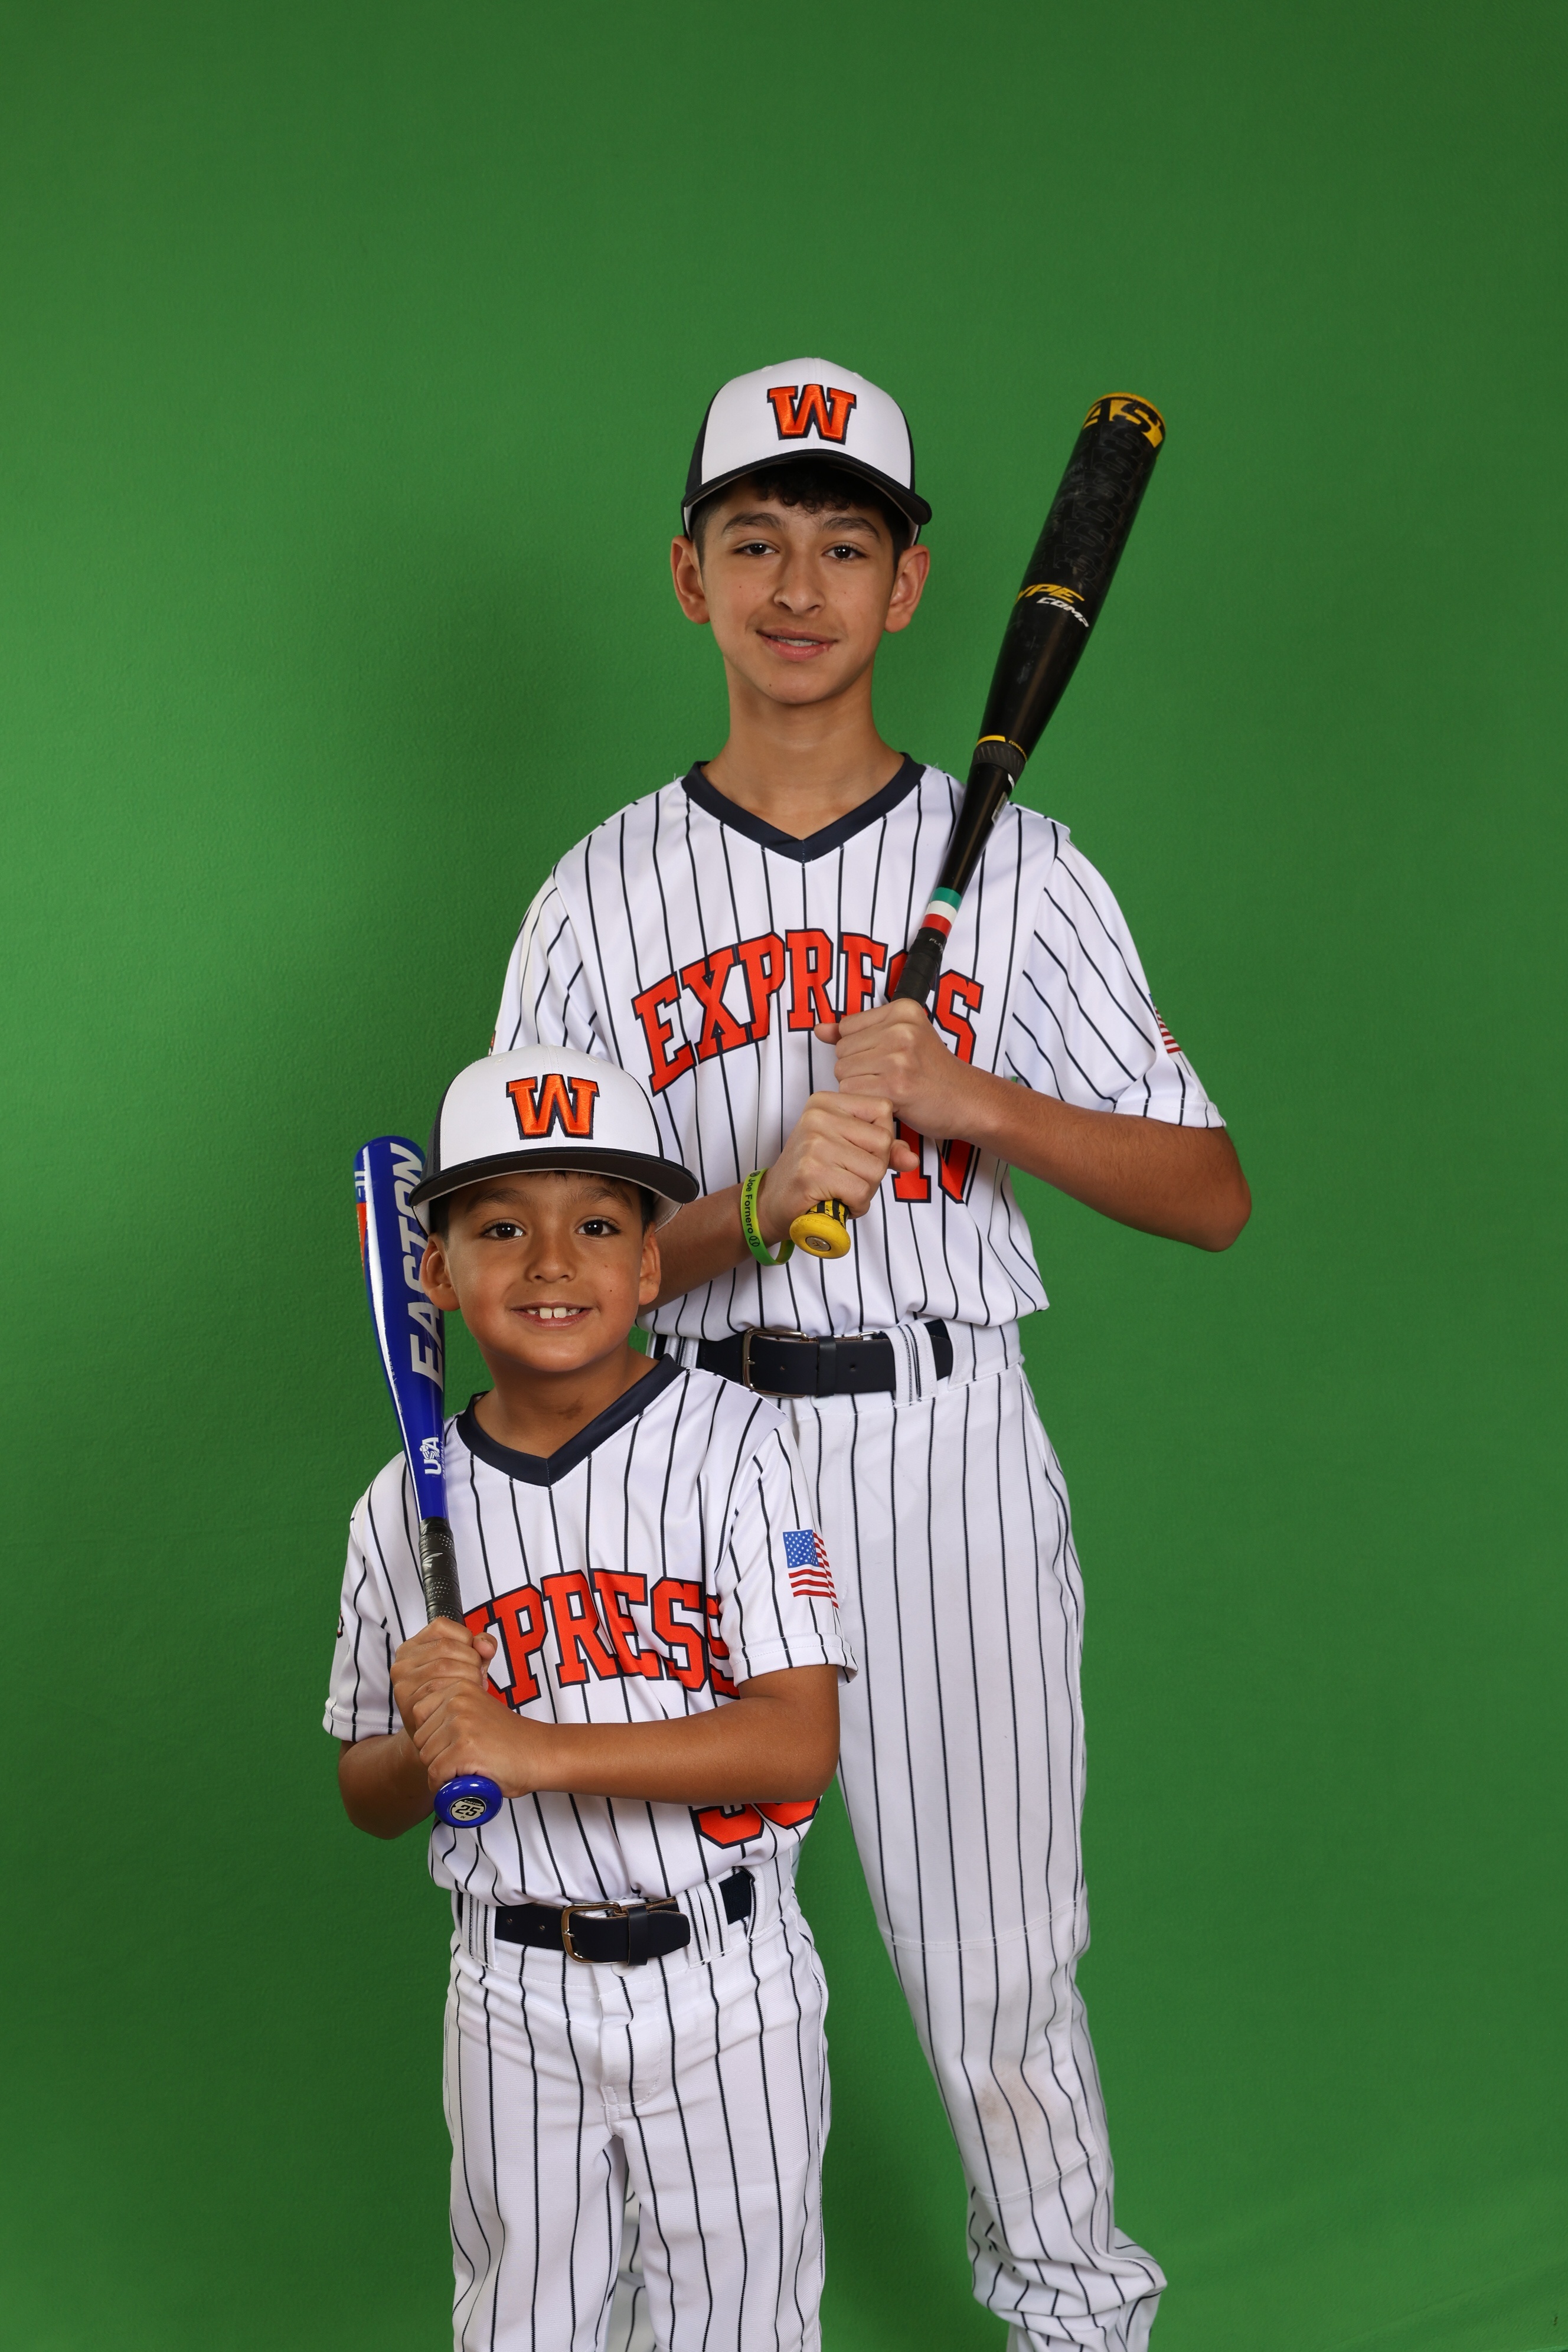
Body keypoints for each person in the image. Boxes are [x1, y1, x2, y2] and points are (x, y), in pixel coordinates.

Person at [491, 358, 1252, 2352]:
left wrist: (973, 1102)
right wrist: (746, 1205)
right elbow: (525, 1270)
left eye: (843, 545)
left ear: (909, 587)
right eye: (754, 541)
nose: (797, 585)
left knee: (998, 1972)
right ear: (689, 576)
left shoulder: (1029, 873)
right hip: (681, 1462)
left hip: (940, 1445)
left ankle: (1077, 2322)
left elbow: (1207, 1190)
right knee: (656, 1965)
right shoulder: (598, 898)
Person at [326, 1044, 854, 2352]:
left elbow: (798, 1742)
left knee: (741, 2328)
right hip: (511, 1989)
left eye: (599, 1225)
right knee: (520, 2324)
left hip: (728, 1978)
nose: (551, 1262)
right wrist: (426, 1740)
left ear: (651, 1265)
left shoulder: (739, 1444)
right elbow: (367, 1794)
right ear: (435, 1274)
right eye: (502, 1226)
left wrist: (527, 1747)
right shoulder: (399, 1507)